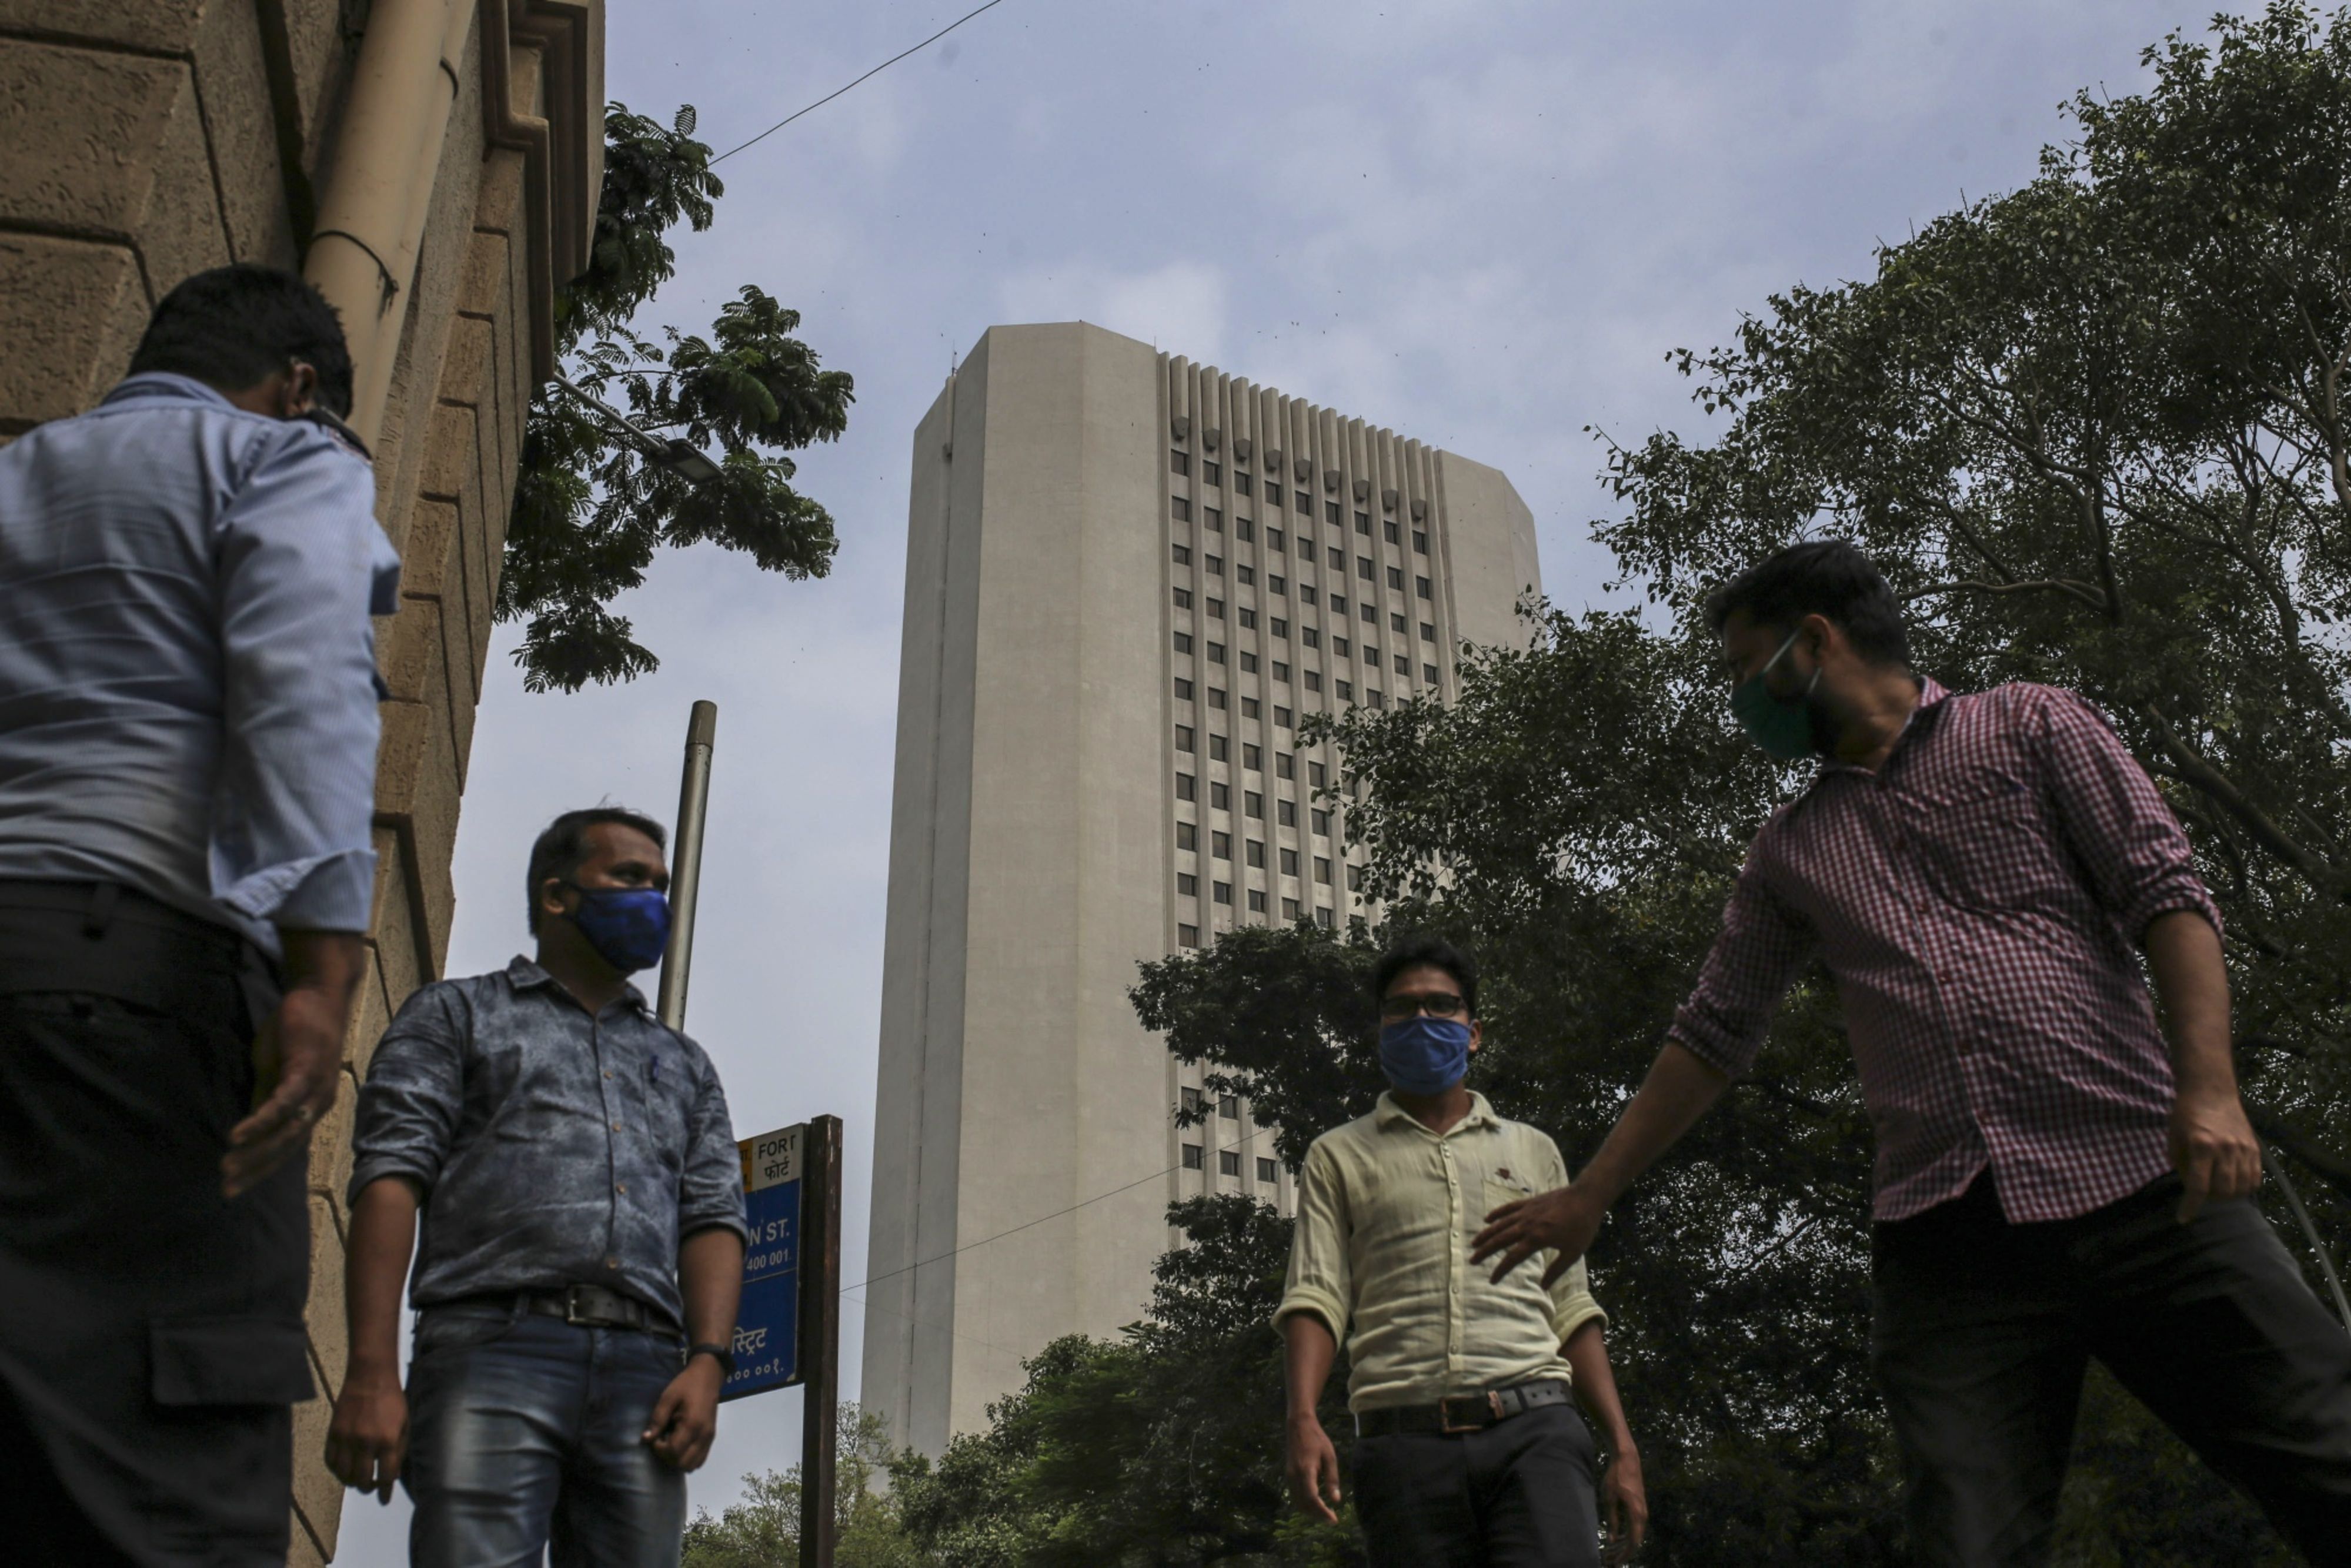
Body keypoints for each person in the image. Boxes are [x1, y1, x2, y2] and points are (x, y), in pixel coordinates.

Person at [1471, 541, 2351, 1566]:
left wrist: (2209, 1091)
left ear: (1812, 643)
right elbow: (1712, 1029)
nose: (1739, 699)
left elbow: (2165, 894)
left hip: (2147, 1185)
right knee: (1964, 1542)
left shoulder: (2029, 724)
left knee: (2327, 1451)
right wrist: (1591, 1193)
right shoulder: (1789, 849)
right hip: (1951, 1245)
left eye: (1743, 668)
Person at [0, 263, 396, 1566]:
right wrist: (323, 971)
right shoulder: (283, 460)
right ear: (298, 386)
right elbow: (303, 677)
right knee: (169, 1479)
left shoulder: (17, 474)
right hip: (139, 992)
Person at [327, 807, 747, 1567]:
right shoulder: (458, 1014)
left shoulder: (685, 1065)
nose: (652, 900)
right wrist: (371, 1371)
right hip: (490, 1347)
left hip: (646, 1371)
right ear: (557, 895)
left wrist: (708, 1361)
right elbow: (390, 1176)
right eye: (629, 877)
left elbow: (713, 1216)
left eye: (660, 885)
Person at [1278, 935, 1647, 1568]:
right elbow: (1317, 1295)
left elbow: (1570, 1306)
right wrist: (1302, 1417)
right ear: (1380, 1031)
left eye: (1440, 1005)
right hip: (1403, 1446)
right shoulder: (1336, 1156)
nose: (1421, 1019)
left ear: (1473, 1033)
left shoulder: (1533, 1150)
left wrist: (1623, 1446)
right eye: (1401, 1008)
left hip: (1536, 1431)